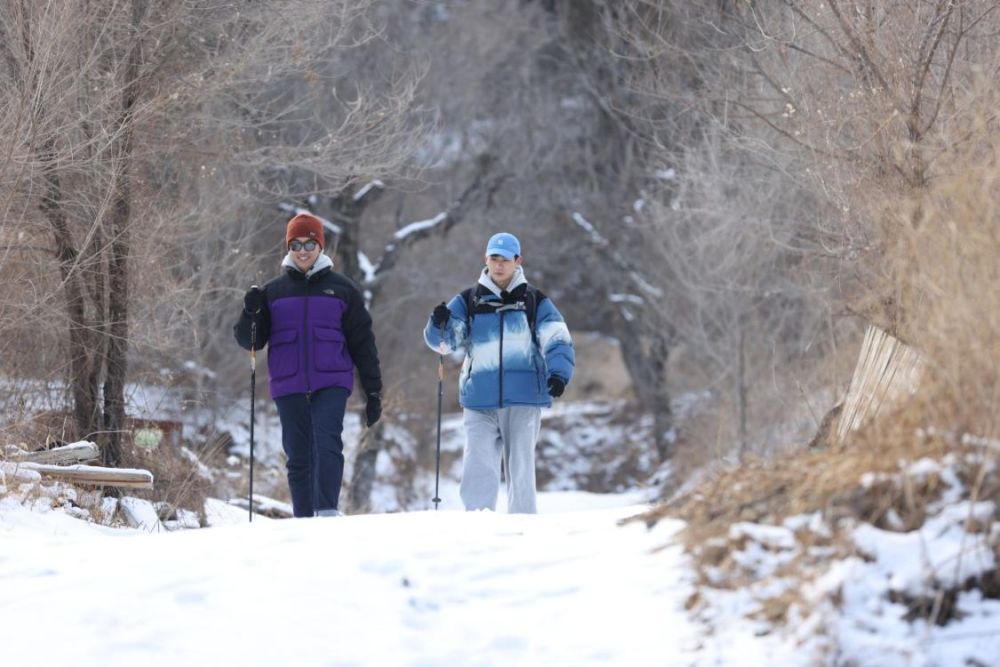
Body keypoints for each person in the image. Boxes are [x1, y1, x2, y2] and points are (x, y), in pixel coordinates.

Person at [234, 213, 382, 517]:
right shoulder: (272, 292)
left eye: (310, 243)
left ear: (321, 246)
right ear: (288, 247)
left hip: (332, 381)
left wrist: (374, 391)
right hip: (288, 382)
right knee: (298, 454)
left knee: (327, 443)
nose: (303, 250)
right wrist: (250, 313)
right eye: (296, 244)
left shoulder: (343, 289)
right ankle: (303, 519)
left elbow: (363, 344)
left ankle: (326, 511)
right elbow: (251, 341)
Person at [423, 232, 574, 513]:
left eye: (505, 259)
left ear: (518, 261)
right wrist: (437, 323)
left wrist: (558, 374)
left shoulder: (535, 301)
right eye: (494, 258)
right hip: (479, 398)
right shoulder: (469, 300)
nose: (499, 265)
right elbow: (443, 344)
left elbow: (558, 339)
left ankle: (523, 525)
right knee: (478, 464)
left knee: (520, 467)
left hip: (524, 399)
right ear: (486, 259)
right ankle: (477, 523)